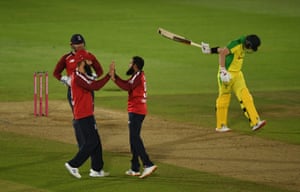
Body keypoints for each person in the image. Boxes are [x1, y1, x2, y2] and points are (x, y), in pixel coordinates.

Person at [201, 35, 266, 132]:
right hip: (226, 75)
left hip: (237, 75)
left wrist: (210, 50)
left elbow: (223, 50)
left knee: (246, 96)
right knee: (224, 98)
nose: (251, 50)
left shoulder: (243, 46)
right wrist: (223, 70)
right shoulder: (236, 44)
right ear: (248, 45)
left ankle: (255, 122)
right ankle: (221, 125)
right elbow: (223, 54)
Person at [64, 50, 111, 179]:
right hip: (83, 115)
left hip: (86, 114)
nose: (90, 62)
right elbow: (95, 86)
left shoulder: (80, 75)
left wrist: (106, 75)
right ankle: (73, 164)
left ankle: (96, 169)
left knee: (96, 142)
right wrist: (108, 76)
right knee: (91, 142)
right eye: (87, 61)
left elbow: (92, 80)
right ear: (81, 62)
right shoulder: (78, 77)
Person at [109, 56, 157, 179]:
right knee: (133, 138)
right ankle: (135, 167)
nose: (129, 65)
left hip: (137, 110)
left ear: (135, 65)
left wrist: (114, 78)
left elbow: (127, 87)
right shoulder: (138, 75)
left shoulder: (138, 75)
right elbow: (127, 84)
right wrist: (115, 77)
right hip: (138, 110)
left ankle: (148, 164)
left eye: (130, 63)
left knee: (135, 138)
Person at [53, 34, 103, 147]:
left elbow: (99, 71)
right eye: (77, 44)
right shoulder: (66, 58)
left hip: (88, 91)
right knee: (78, 117)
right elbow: (56, 73)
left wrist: (93, 77)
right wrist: (65, 79)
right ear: (71, 45)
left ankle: (91, 140)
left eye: (81, 43)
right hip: (73, 92)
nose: (80, 46)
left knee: (89, 115)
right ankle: (82, 143)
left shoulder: (89, 56)